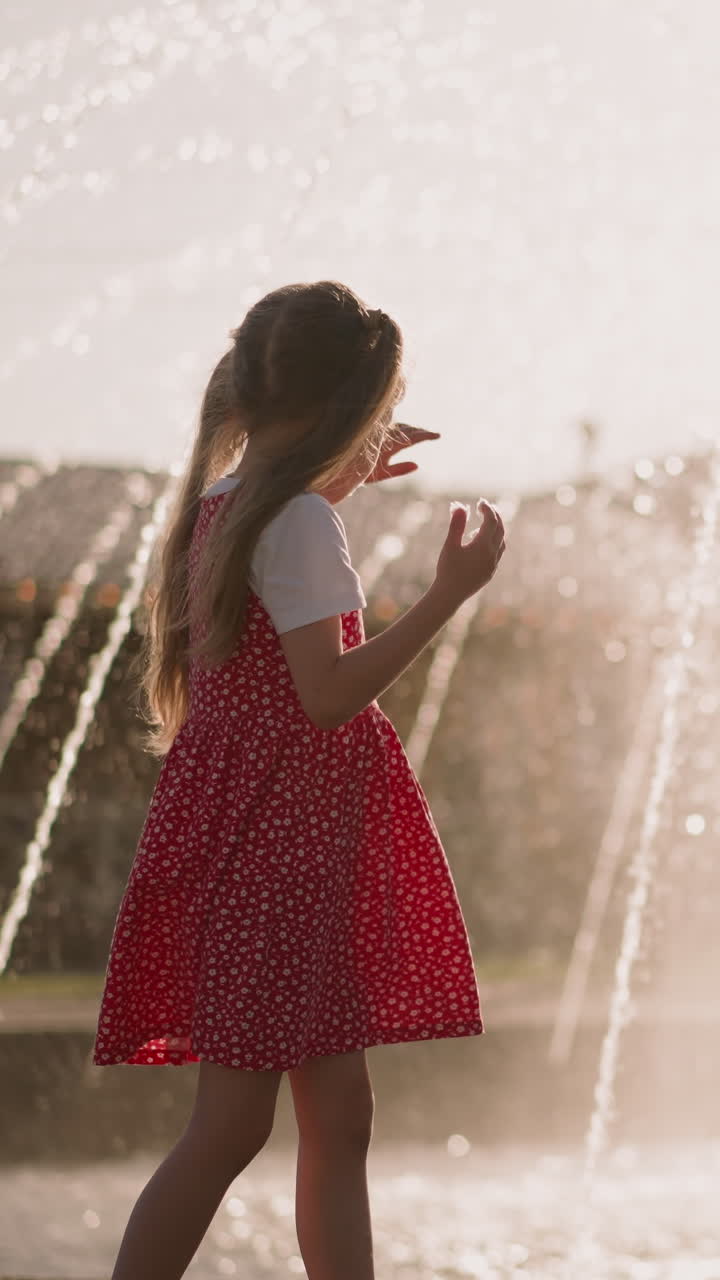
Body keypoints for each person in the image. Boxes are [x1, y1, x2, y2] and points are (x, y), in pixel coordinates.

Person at [92, 279, 506, 1280]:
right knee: (232, 1126)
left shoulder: (230, 507)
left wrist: (339, 474)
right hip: (284, 845)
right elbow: (325, 695)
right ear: (347, 406)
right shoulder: (300, 524)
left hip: (267, 838)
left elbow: (281, 607)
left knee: (337, 1114)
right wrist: (447, 596)